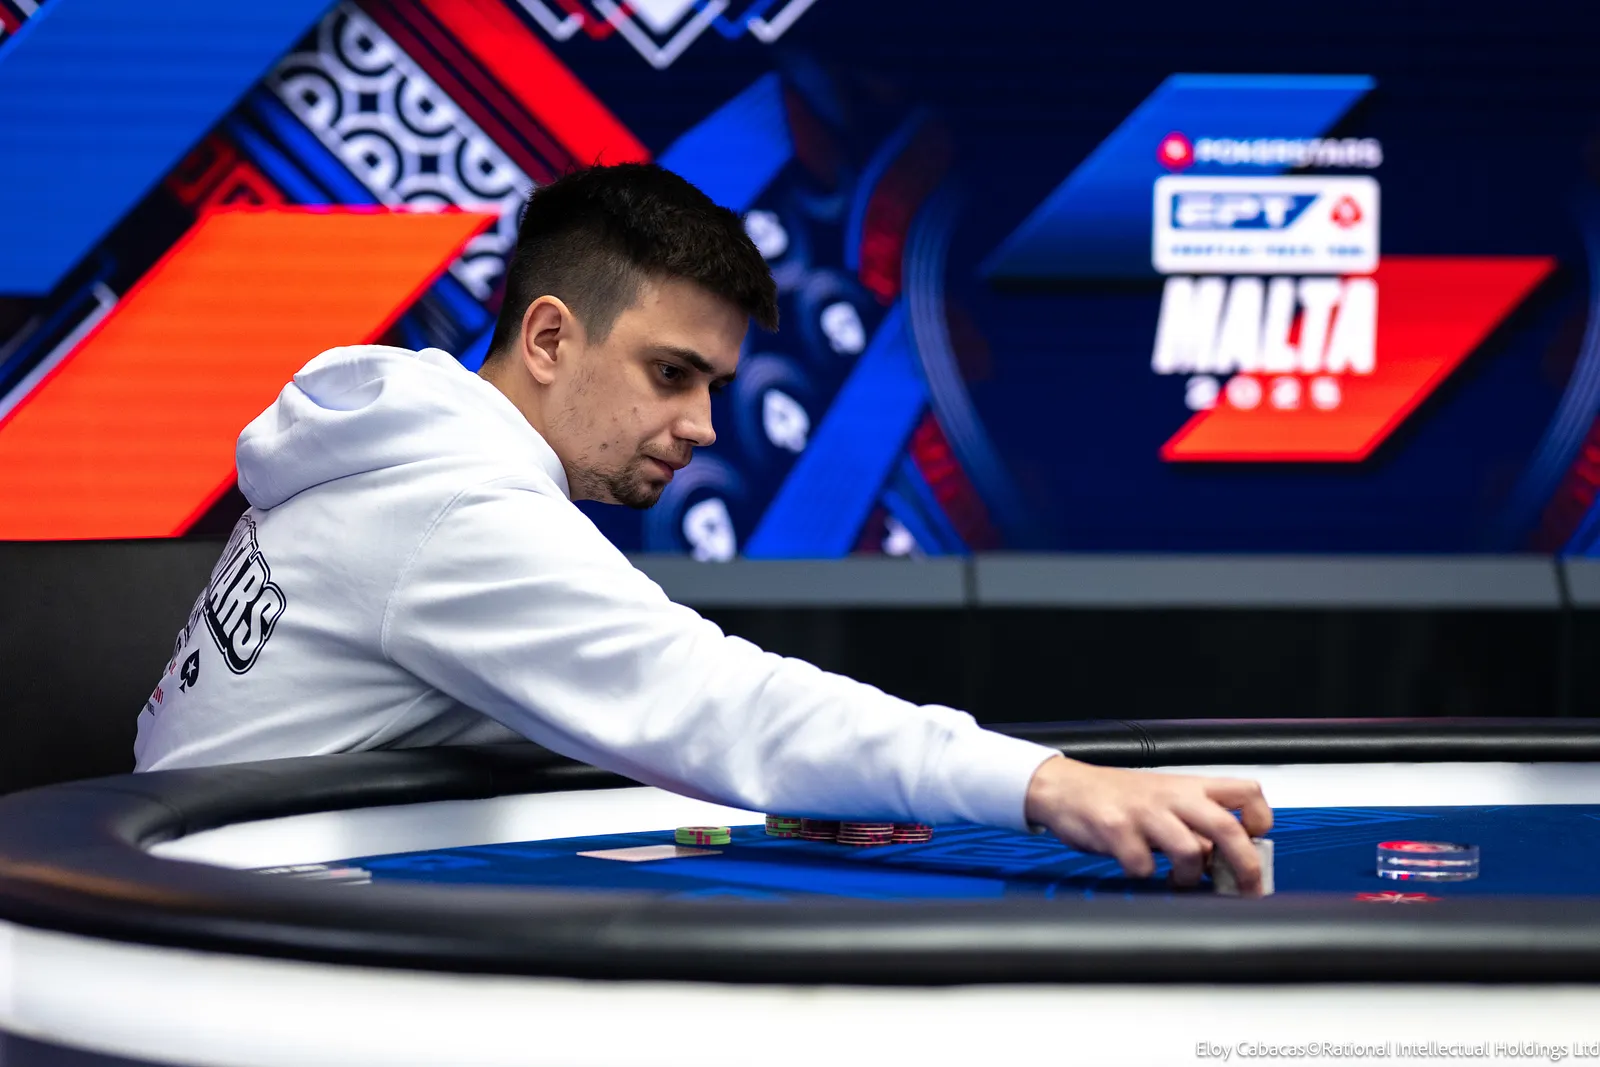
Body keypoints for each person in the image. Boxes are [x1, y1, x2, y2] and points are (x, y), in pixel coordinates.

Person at [134, 163, 1272, 894]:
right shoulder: (453, 513)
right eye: (670, 373)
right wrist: (1056, 784)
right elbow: (721, 703)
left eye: (714, 385)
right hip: (232, 964)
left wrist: (825, 788)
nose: (702, 426)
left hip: (233, 894)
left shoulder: (400, 456)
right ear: (548, 339)